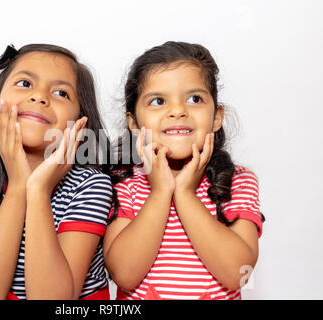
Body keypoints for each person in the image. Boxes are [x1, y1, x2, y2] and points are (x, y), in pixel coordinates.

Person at [0, 44, 113, 300]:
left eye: (61, 92)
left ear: (80, 122)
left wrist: (38, 190)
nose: (40, 97)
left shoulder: (90, 185)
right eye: (25, 83)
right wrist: (18, 187)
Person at [104, 41, 265, 300]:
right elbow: (124, 274)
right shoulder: (126, 184)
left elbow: (239, 275)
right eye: (158, 101)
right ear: (133, 122)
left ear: (216, 117)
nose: (178, 111)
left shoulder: (237, 182)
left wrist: (186, 195)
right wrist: (159, 193)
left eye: (194, 99)